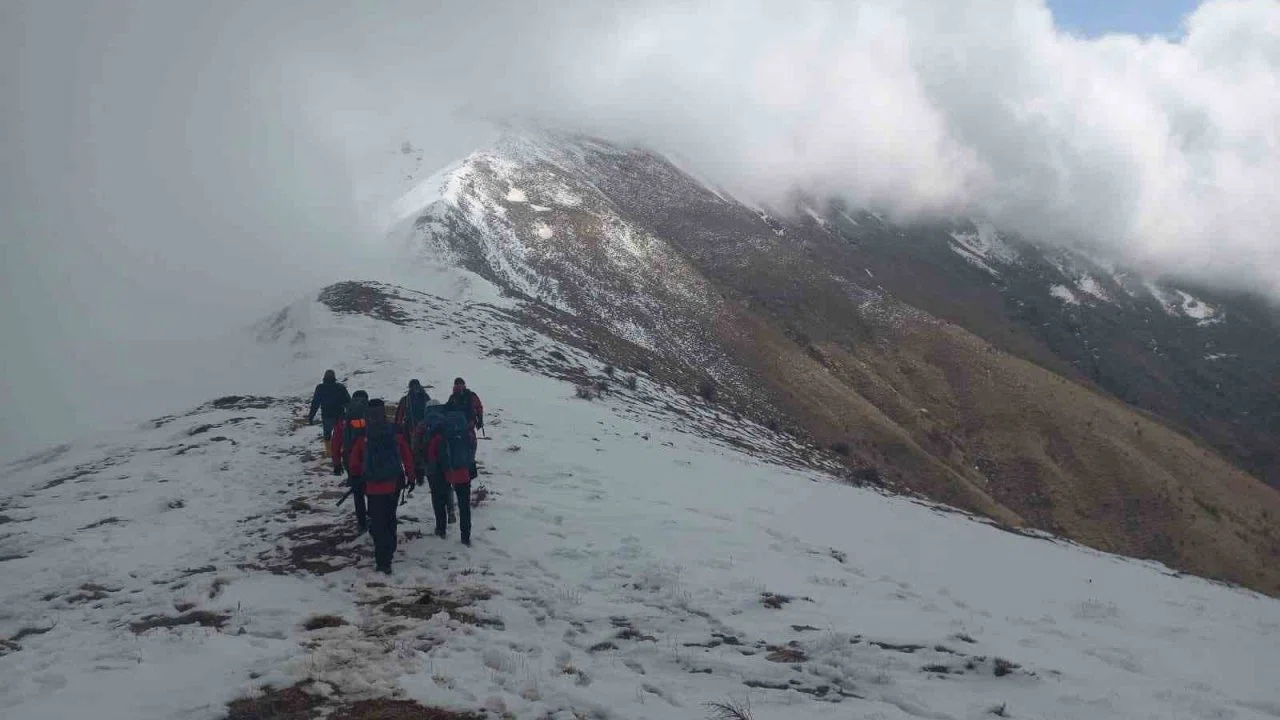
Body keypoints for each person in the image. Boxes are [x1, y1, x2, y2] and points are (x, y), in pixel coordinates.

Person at [345, 399, 416, 573]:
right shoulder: (394, 432)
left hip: (372, 486)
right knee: (390, 516)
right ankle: (390, 549)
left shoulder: (363, 435)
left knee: (377, 521)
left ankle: (382, 562)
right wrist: (411, 476)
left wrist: (356, 477)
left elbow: (354, 463)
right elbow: (406, 455)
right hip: (394, 483)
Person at [426, 410, 475, 546]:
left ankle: (441, 529)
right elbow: (472, 451)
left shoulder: (440, 436)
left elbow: (432, 456)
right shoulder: (467, 435)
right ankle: (465, 537)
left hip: (445, 474)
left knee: (440, 500)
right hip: (464, 474)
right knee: (464, 506)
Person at [331, 390, 370, 534]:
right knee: (372, 490)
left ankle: (362, 523)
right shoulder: (372, 415)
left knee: (358, 493)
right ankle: (375, 517)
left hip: (350, 461)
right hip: (371, 459)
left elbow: (336, 442)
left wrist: (336, 463)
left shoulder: (344, 418)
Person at [443, 377, 484, 479]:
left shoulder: (453, 397)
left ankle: (459, 469)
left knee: (457, 447)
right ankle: (470, 469)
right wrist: (480, 419)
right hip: (469, 425)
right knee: (471, 446)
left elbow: (446, 410)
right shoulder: (471, 395)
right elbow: (479, 407)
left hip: (455, 427)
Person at [308, 369, 351, 457]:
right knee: (340, 434)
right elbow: (348, 402)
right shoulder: (340, 387)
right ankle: (340, 450)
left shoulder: (320, 388)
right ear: (334, 377)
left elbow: (315, 403)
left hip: (327, 416)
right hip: (339, 415)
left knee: (327, 434)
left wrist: (311, 416)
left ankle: (329, 452)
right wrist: (350, 415)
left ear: (324, 377)